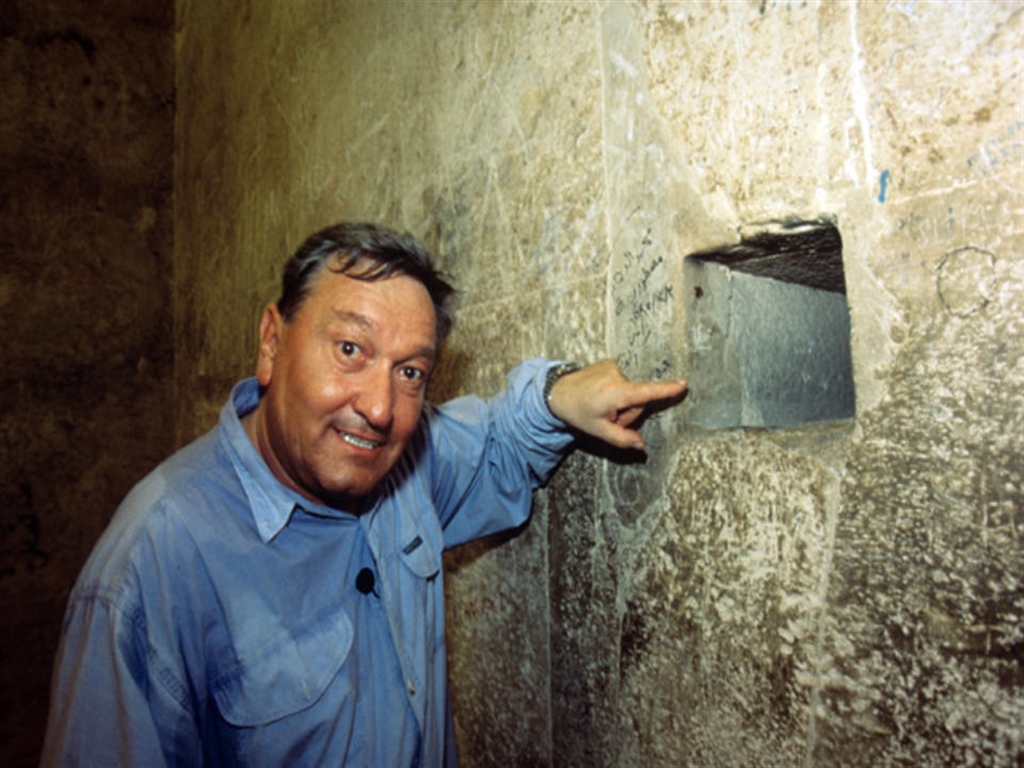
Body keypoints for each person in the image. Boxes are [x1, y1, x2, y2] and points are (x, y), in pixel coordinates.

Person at [41, 222, 687, 767]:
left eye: (410, 372)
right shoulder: (149, 568)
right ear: (271, 342)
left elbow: (498, 442)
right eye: (350, 349)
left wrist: (559, 394)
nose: (380, 409)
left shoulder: (403, 470)